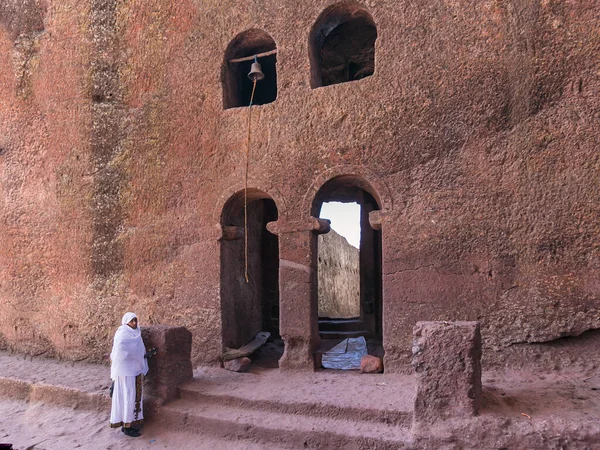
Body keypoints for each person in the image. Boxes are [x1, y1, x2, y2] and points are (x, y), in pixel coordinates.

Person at [109, 312, 150, 437]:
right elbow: (119, 353)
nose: (134, 323)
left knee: (133, 397)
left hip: (135, 370)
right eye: (132, 321)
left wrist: (143, 356)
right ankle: (126, 427)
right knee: (127, 397)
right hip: (124, 372)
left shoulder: (137, 333)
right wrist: (134, 356)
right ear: (126, 321)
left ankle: (129, 425)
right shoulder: (122, 334)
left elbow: (139, 351)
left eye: (135, 321)